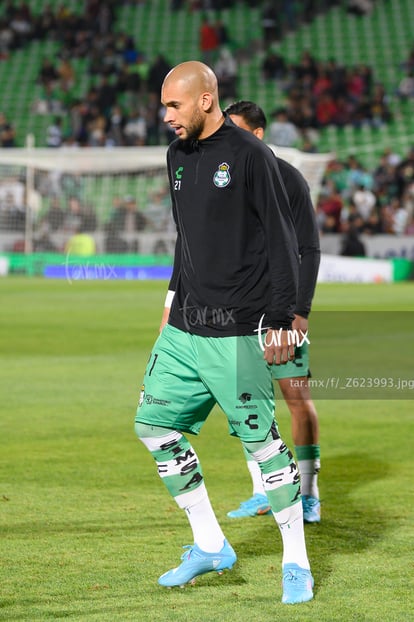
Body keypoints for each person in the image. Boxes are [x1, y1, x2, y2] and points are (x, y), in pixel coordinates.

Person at [134, 60, 314, 605]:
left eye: (174, 105)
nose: (165, 116)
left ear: (206, 100)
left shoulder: (253, 157)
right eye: (163, 105)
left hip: (236, 330)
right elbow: (185, 237)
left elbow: (285, 242)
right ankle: (210, 544)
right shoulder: (177, 156)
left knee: (264, 449)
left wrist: (283, 318)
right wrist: (171, 301)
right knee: (152, 427)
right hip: (185, 327)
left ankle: (296, 561)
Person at [223, 100, 321, 523]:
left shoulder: (289, 179)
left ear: (258, 134)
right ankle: (263, 490)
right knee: (246, 404)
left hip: (282, 312)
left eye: (236, 130)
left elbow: (308, 249)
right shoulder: (226, 181)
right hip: (237, 314)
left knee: (297, 400)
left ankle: (311, 493)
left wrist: (299, 310)